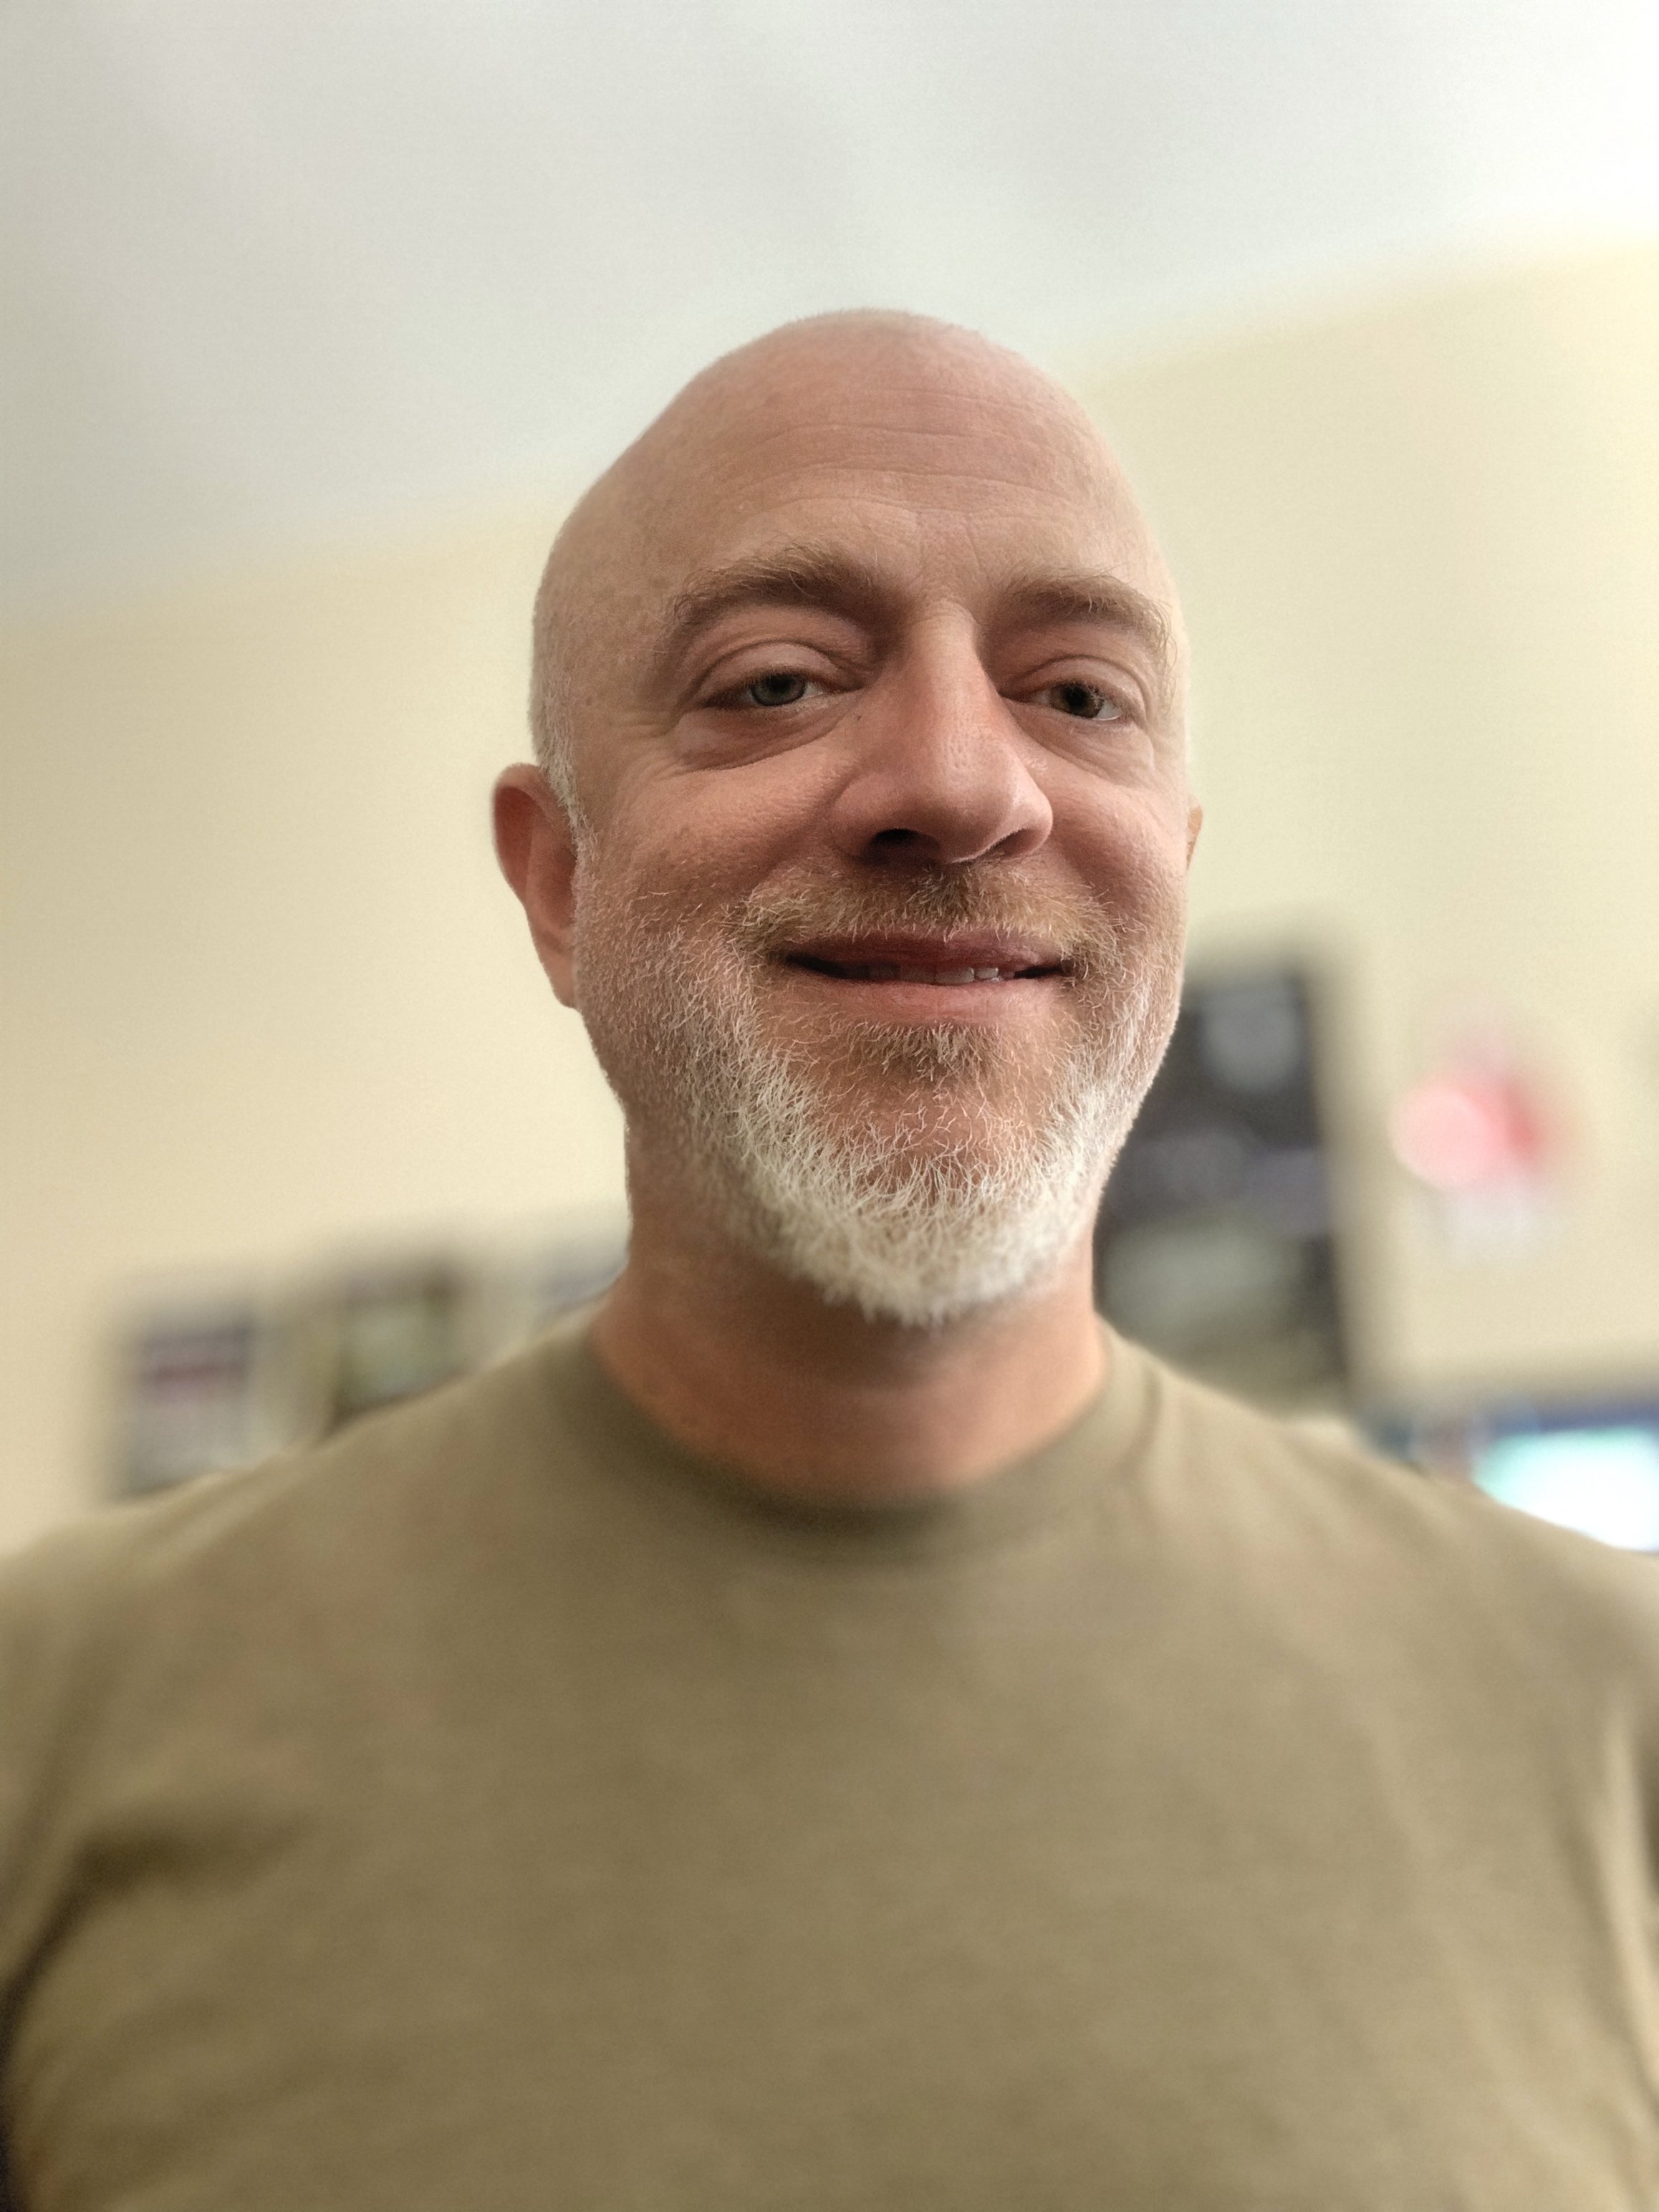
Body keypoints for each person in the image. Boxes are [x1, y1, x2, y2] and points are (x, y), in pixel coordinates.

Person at [1, 313, 1656, 2211]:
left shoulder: (1607, 1717)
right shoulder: (56, 1714)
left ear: (1172, 862)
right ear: (558, 881)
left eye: (1080, 695)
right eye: (776, 679)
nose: (959, 782)